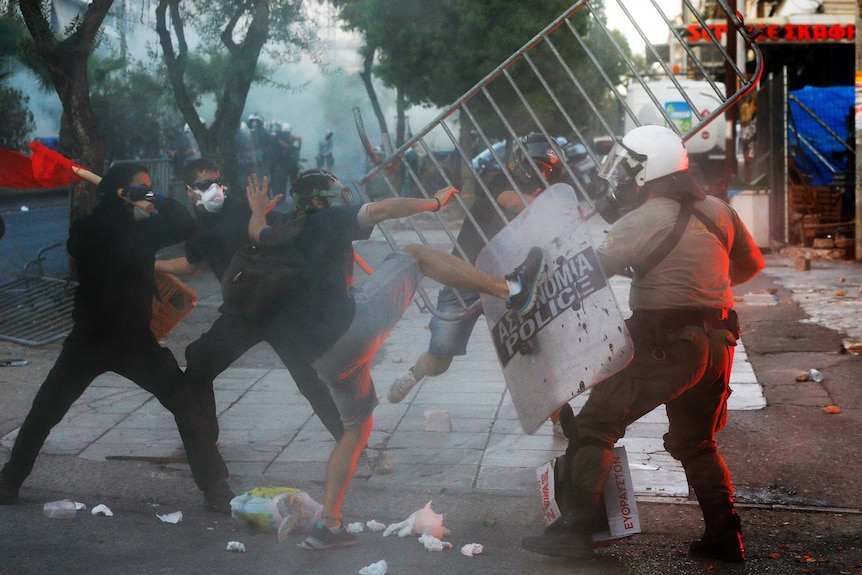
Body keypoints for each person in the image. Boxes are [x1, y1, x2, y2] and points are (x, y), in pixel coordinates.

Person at [243, 169, 546, 550]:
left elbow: (257, 230)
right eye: (338, 192)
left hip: (322, 358)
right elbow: (384, 209)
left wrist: (257, 209)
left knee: (356, 431)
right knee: (415, 255)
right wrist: (434, 203)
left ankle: (329, 525)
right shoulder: (327, 218)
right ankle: (512, 289)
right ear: (319, 202)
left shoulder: (282, 231)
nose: (346, 195)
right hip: (352, 330)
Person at [519, 125, 765, 562]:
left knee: (596, 427)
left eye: (627, 168)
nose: (618, 178)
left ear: (646, 172)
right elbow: (748, 266)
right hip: (720, 344)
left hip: (664, 343)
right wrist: (701, 284)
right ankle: (726, 537)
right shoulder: (719, 211)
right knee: (697, 442)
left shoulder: (640, 220)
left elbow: (586, 278)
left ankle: (574, 533)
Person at [0, 163, 234, 513]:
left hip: (134, 341)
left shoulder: (145, 229)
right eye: (140, 187)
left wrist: (150, 196)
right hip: (89, 340)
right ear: (119, 193)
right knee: (45, 412)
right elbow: (84, 243)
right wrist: (120, 205)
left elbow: (185, 224)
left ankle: (215, 487)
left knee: (185, 403)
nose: (146, 194)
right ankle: (9, 482)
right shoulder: (91, 227)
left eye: (148, 188)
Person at [154, 159, 346, 455]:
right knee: (199, 362)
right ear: (190, 191)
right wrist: (151, 265)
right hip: (243, 312)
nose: (216, 191)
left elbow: (289, 228)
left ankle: (353, 447)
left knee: (309, 379)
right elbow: (191, 264)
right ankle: (206, 442)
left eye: (218, 183)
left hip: (279, 306)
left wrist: (267, 212)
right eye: (205, 185)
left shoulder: (243, 207)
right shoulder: (196, 225)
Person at [387, 133, 567, 409]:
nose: (540, 174)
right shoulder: (500, 181)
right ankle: (415, 373)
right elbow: (510, 200)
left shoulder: (544, 196)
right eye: (537, 166)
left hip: (516, 283)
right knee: (440, 356)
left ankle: (560, 418)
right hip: (466, 278)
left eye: (547, 170)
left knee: (537, 352)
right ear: (521, 163)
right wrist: (556, 208)